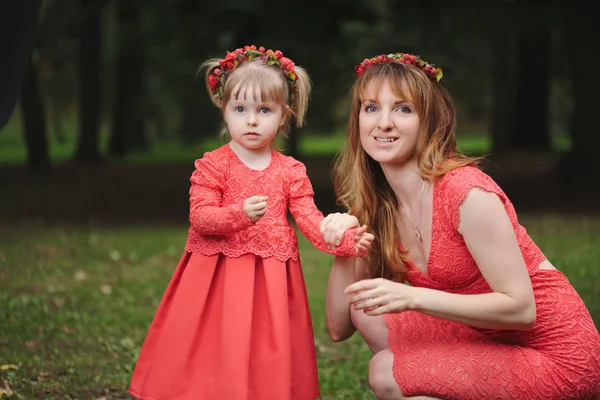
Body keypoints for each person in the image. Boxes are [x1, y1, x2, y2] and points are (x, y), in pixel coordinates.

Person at [321, 52, 600, 399]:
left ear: (429, 121)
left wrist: (414, 296)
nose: (384, 123)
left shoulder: (466, 192)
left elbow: (521, 309)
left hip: (558, 358)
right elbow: (338, 327)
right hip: (486, 339)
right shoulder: (380, 207)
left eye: (403, 109)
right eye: (371, 108)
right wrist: (345, 247)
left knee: (386, 371)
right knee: (367, 307)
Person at [128, 45, 373, 400]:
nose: (252, 120)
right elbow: (200, 218)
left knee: (263, 343)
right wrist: (240, 214)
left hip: (271, 279)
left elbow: (309, 220)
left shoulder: (291, 171)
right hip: (217, 275)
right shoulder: (214, 165)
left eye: (264, 110)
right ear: (224, 110)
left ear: (284, 115)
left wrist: (345, 242)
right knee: (215, 339)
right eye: (240, 109)